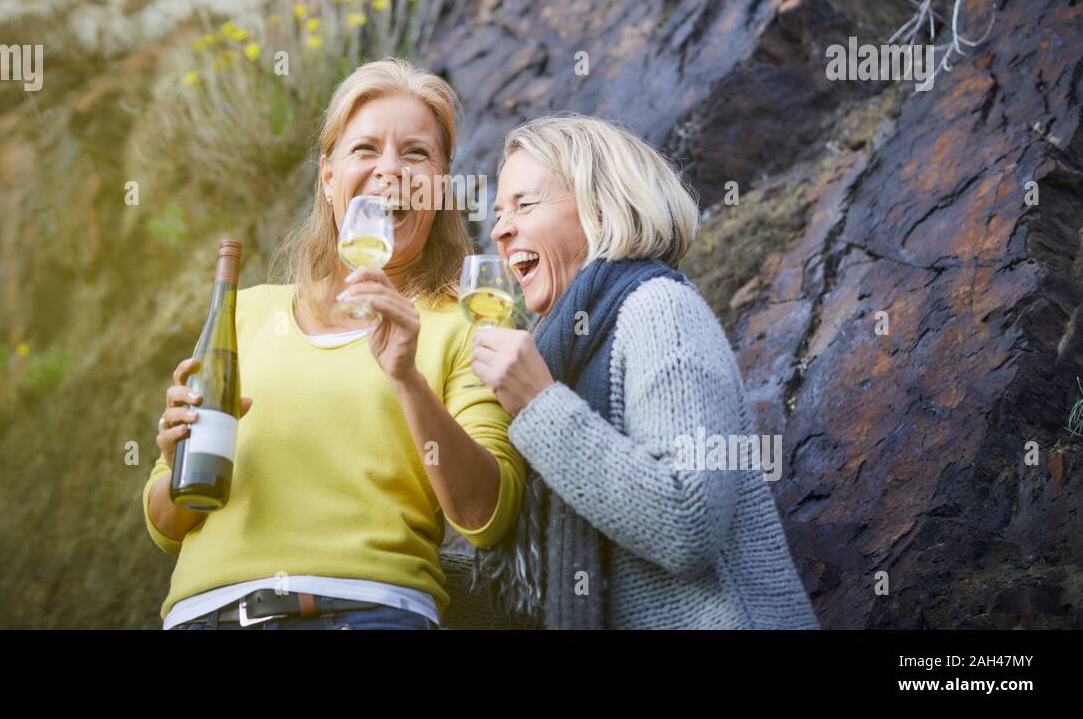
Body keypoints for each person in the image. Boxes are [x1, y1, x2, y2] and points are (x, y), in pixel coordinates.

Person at [142, 57, 525, 630]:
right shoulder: (245, 314)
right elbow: (163, 524)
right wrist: (177, 463)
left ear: (442, 183)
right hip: (209, 616)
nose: (389, 171)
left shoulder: (467, 322)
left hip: (370, 612)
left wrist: (407, 379)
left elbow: (485, 514)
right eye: (365, 149)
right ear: (327, 176)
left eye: (416, 154)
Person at [465, 113, 820, 628]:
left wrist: (540, 405)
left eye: (524, 204)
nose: (499, 229)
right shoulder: (560, 353)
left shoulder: (659, 309)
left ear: (601, 207)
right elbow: (530, 599)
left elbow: (688, 523)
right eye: (498, 213)